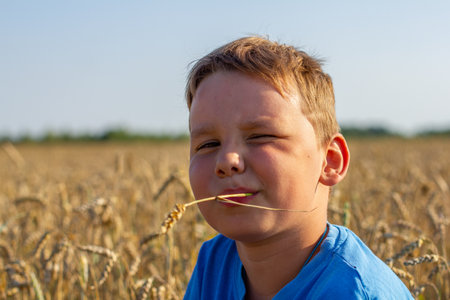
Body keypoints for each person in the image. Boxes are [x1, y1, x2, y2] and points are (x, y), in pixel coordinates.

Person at [183, 36, 413, 299]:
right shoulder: (213, 263)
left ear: (330, 161)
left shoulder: (354, 292)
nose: (227, 161)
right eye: (208, 144)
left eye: (259, 137)